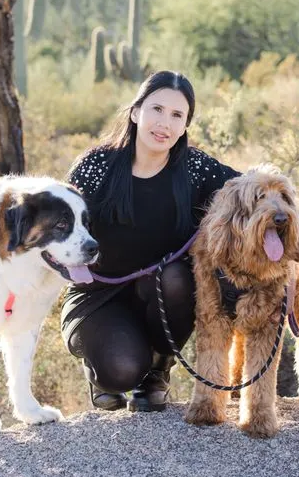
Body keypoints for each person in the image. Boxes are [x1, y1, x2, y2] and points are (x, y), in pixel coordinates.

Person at [61, 70, 240, 412]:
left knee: (178, 277)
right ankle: (105, 366)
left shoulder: (195, 169)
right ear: (135, 112)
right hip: (97, 295)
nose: (165, 124)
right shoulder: (96, 166)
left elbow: (248, 191)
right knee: (120, 371)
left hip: (162, 291)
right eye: (156, 109)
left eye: (177, 115)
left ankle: (158, 368)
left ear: (186, 126)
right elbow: (58, 224)